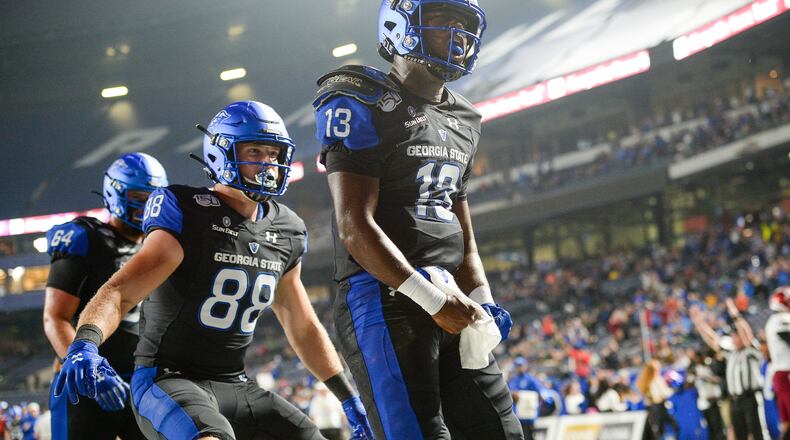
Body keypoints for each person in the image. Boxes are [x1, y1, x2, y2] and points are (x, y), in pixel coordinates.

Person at [51, 101, 372, 440]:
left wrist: (348, 397)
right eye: (255, 151)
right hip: (167, 380)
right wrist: (85, 343)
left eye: (274, 154)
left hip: (235, 383)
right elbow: (119, 292)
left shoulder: (287, 228)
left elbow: (303, 325)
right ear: (222, 154)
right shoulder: (188, 212)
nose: (268, 164)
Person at [312, 1, 521, 438]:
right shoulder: (360, 96)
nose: (459, 36)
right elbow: (354, 224)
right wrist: (430, 299)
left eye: (465, 27)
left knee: (500, 431)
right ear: (400, 27)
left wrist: (481, 295)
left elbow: (463, 230)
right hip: (384, 295)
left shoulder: (465, 117)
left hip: (450, 295)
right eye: (444, 23)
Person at [44, 152, 168, 439]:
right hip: (84, 381)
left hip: (140, 382)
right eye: (138, 195)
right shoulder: (87, 239)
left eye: (152, 197)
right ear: (115, 192)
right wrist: (91, 374)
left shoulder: (161, 246)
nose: (145, 205)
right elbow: (55, 318)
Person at [691, 300, 770, 440]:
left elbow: (747, 336)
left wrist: (736, 316)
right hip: (735, 400)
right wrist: (699, 323)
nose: (733, 338)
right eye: (733, 335)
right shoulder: (731, 353)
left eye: (735, 335)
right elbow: (713, 340)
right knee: (740, 434)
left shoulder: (750, 351)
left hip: (750, 397)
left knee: (757, 433)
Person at [508, 358, 554, 439]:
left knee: (529, 434)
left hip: (529, 413)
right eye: (517, 366)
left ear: (525, 366)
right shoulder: (513, 380)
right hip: (517, 413)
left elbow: (540, 393)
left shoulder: (531, 379)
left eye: (521, 365)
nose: (519, 368)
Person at [766, 285, 790, 439]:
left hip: (780, 374)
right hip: (786, 373)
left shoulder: (773, 320)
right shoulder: (779, 319)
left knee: (786, 421)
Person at [635, 359, 679, 439]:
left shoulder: (647, 380)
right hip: (657, 408)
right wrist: (672, 388)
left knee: (659, 429)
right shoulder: (655, 380)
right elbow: (663, 394)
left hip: (654, 408)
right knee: (660, 430)